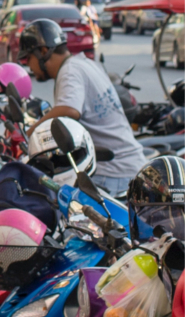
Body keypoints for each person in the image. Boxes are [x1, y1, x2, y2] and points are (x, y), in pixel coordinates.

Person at [18, 18, 145, 198]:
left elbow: (69, 110)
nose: (28, 67)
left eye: (28, 59)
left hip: (112, 172)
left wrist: (31, 133)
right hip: (127, 166)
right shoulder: (84, 63)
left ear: (43, 52)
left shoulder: (69, 72)